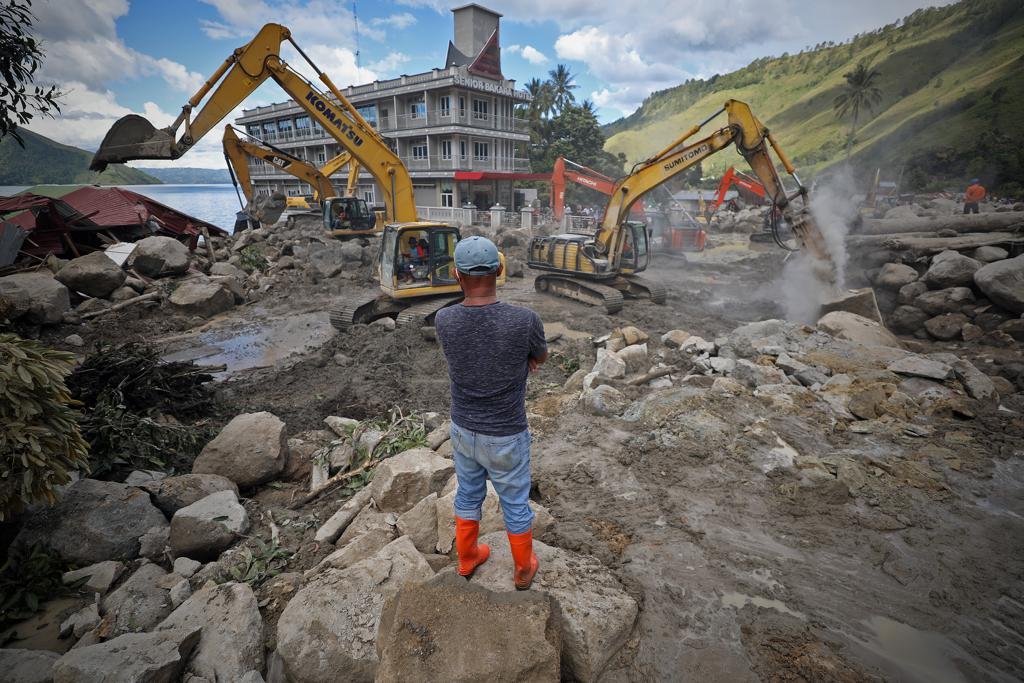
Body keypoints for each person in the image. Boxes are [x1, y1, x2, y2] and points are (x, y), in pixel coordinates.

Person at [435, 236, 548, 589]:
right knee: (515, 501)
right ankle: (523, 569)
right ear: (500, 270)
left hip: (463, 430)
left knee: (468, 495)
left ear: (456, 275)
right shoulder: (524, 319)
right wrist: (524, 359)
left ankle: (468, 559)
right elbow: (539, 356)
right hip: (506, 433)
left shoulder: (444, 319)